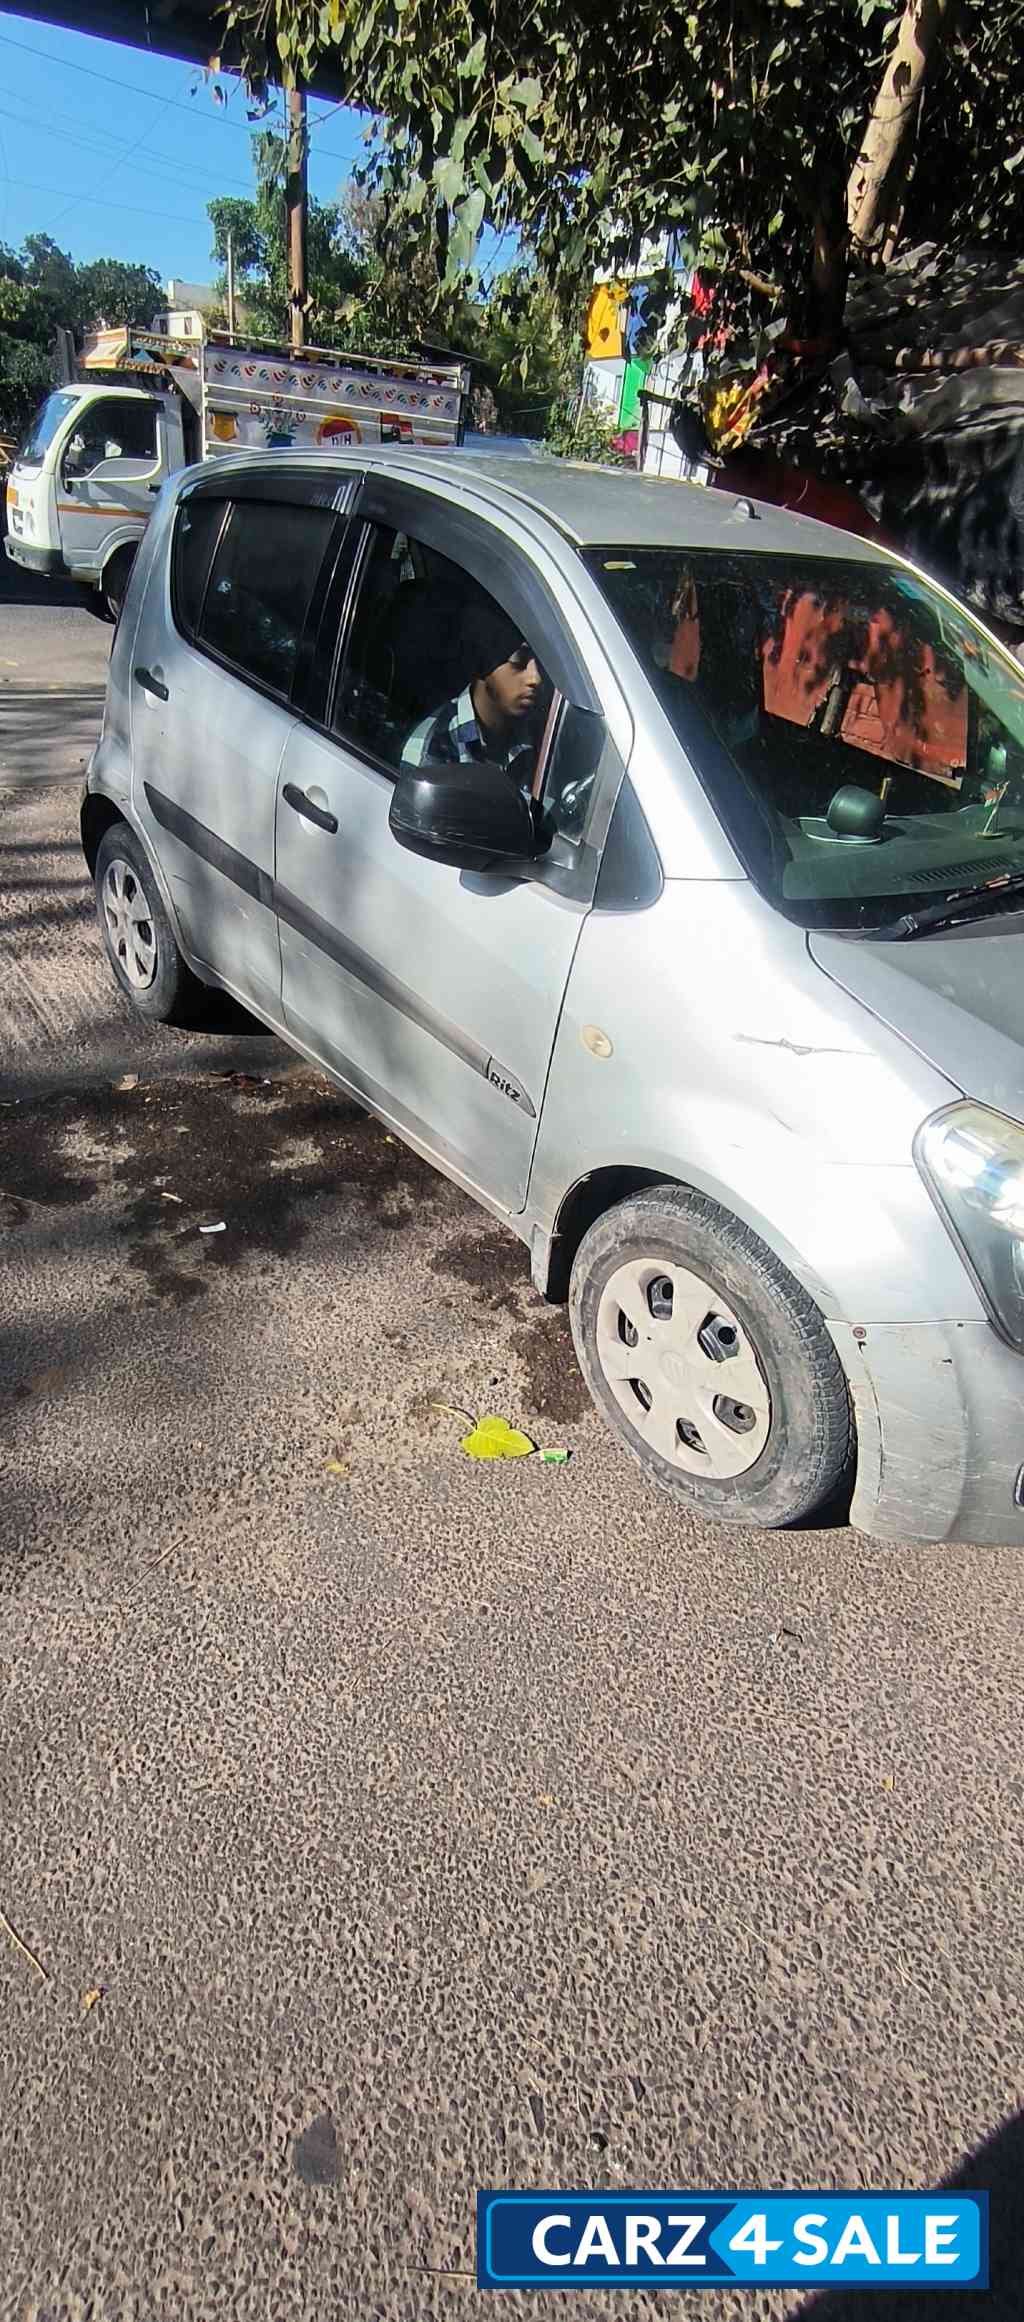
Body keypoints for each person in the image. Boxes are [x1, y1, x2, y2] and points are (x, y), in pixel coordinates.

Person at [401, 601, 545, 792]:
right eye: (519, 660)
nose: (535, 678)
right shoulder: (435, 747)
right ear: (486, 663)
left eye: (540, 663)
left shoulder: (542, 735)